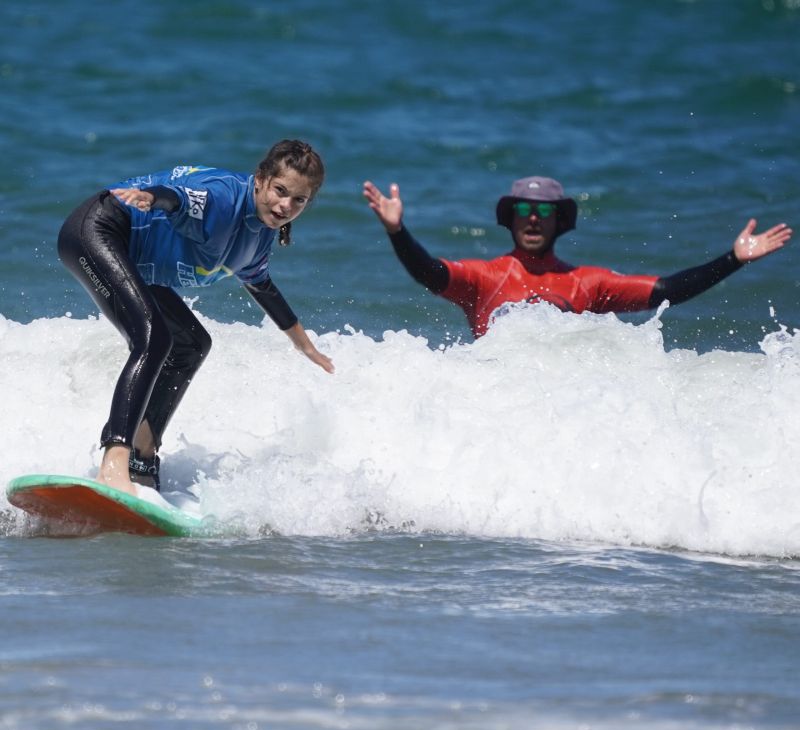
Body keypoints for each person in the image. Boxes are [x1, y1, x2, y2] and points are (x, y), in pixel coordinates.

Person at [58, 139, 334, 496]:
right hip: (98, 231)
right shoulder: (222, 196)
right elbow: (180, 197)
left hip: (137, 265)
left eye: (299, 200)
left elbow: (262, 285)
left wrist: (304, 345)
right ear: (262, 178)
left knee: (192, 345)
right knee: (153, 339)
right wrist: (151, 199)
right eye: (281, 191)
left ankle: (142, 459)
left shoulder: (258, 236)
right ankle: (113, 465)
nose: (286, 206)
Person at [363, 176, 793, 338]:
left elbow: (667, 291)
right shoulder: (484, 277)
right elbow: (429, 273)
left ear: (559, 221)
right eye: (524, 211)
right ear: (510, 219)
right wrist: (397, 232)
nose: (534, 218)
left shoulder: (589, 284)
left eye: (545, 211)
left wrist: (732, 259)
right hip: (492, 410)